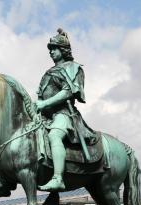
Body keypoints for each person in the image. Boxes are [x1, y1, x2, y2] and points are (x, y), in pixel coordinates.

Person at [36, 28, 92, 191]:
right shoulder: (48, 72)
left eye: (54, 49)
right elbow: (40, 95)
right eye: (50, 49)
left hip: (64, 114)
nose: (51, 52)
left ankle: (58, 177)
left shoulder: (74, 68)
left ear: (63, 50)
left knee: (54, 135)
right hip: (45, 116)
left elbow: (68, 91)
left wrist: (45, 104)